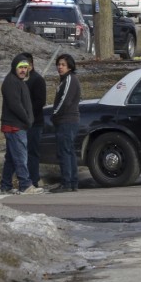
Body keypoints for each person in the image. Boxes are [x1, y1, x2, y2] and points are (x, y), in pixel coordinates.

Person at [0, 54, 37, 194]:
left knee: (11, 158)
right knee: (21, 156)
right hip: (14, 126)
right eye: (20, 67)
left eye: (25, 68)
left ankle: (6, 184)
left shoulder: (19, 81)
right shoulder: (10, 82)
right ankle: (25, 184)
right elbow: (15, 105)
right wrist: (27, 119)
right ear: (14, 67)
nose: (23, 70)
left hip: (18, 125)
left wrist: (29, 119)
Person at [50, 54, 81, 193]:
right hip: (66, 120)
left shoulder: (70, 79)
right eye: (58, 64)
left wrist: (55, 114)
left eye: (62, 64)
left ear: (69, 66)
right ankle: (72, 182)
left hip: (67, 120)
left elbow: (65, 100)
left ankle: (67, 182)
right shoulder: (64, 80)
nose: (59, 67)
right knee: (69, 151)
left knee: (64, 152)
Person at [21, 52, 46, 188]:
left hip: (35, 123)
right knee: (23, 152)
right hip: (23, 123)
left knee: (32, 152)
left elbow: (40, 102)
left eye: (25, 66)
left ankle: (34, 179)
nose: (23, 69)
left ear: (31, 65)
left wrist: (27, 113)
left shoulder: (37, 80)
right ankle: (25, 178)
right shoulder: (22, 80)